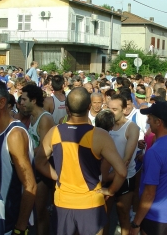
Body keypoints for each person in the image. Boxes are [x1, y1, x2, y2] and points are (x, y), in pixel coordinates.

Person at [35, 87, 127, 235]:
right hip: (91, 204)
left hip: (63, 202)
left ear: (66, 108)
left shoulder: (54, 132)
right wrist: (110, 190)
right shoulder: (100, 135)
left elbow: (39, 162)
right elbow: (122, 172)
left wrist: (58, 177)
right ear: (89, 107)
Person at [0, 79, 36, 235]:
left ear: (1, 102)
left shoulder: (14, 135)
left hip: (10, 224)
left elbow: (30, 186)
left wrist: (20, 228)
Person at [130, 101, 167, 235]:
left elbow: (149, 193)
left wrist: (136, 223)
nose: (148, 121)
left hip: (154, 217)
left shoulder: (154, 152)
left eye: (150, 118)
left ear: (158, 122)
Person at [21, 84, 56, 235]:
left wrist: (21, 152)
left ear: (33, 100)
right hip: (35, 165)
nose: (20, 102)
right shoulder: (32, 116)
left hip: (45, 166)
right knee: (37, 210)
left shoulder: (44, 119)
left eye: (23, 99)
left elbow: (44, 149)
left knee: (40, 211)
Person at [104, 94, 139, 235]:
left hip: (125, 178)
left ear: (124, 110)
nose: (110, 112)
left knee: (123, 213)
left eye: (114, 109)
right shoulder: (106, 125)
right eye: (108, 108)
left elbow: (126, 160)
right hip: (107, 176)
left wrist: (107, 177)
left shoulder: (132, 128)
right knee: (103, 215)